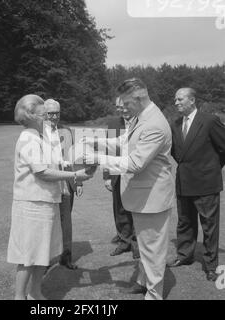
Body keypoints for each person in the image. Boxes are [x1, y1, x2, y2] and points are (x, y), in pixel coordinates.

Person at [84, 78, 175, 300]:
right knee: (145, 247)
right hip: (143, 196)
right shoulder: (141, 117)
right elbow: (125, 141)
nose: (123, 108)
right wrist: (97, 141)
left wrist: (96, 158)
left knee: (152, 249)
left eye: (126, 104)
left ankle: (154, 294)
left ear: (139, 98)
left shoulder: (154, 124)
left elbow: (135, 163)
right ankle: (144, 282)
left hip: (152, 199)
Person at [7, 94, 92, 300]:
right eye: (43, 114)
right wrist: (74, 175)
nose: (48, 117)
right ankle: (20, 296)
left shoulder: (39, 137)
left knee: (41, 254)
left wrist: (83, 158)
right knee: (28, 256)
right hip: (32, 205)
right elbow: (42, 172)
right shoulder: (29, 138)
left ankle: (35, 293)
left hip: (45, 203)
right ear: (31, 115)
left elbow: (55, 162)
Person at [167, 88, 225, 282]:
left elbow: (223, 147)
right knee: (184, 222)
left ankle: (210, 265)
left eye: (180, 99)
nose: (176, 102)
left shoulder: (209, 121)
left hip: (207, 183)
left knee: (209, 226)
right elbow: (177, 152)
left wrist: (212, 167)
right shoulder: (175, 124)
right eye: (175, 99)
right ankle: (184, 255)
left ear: (192, 100)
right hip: (184, 182)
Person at [44, 98, 83, 270]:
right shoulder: (38, 133)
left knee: (66, 223)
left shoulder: (67, 131)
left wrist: (79, 181)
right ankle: (43, 261)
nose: (54, 117)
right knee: (48, 223)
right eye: (50, 113)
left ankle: (66, 257)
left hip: (67, 184)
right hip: (48, 185)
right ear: (44, 114)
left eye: (57, 113)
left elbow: (75, 157)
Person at [103, 100, 139, 259]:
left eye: (123, 106)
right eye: (117, 106)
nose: (121, 109)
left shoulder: (142, 122)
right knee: (120, 209)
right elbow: (107, 150)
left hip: (137, 174)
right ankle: (124, 241)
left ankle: (137, 244)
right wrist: (106, 177)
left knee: (137, 210)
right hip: (117, 173)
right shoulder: (113, 124)